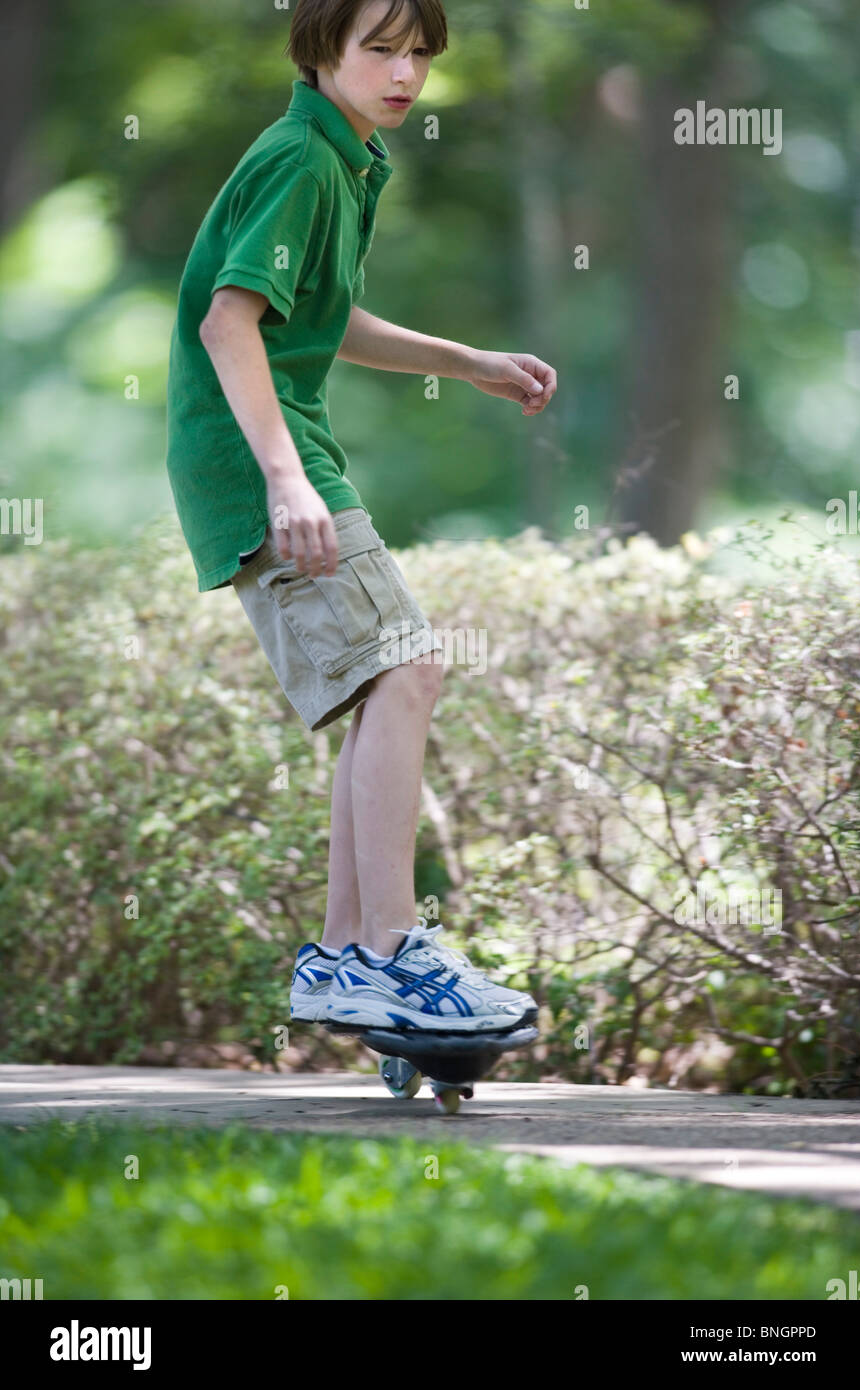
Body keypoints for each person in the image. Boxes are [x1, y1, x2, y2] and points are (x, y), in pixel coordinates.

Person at [165, 0, 557, 1035]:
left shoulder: (342, 157)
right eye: (379, 49)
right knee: (411, 664)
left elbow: (322, 319)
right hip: (260, 457)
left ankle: (347, 958)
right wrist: (287, 482)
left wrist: (465, 362)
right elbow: (227, 320)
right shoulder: (302, 157)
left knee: (391, 673)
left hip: (273, 448)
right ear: (320, 48)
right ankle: (388, 950)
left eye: (418, 52)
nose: (404, 73)